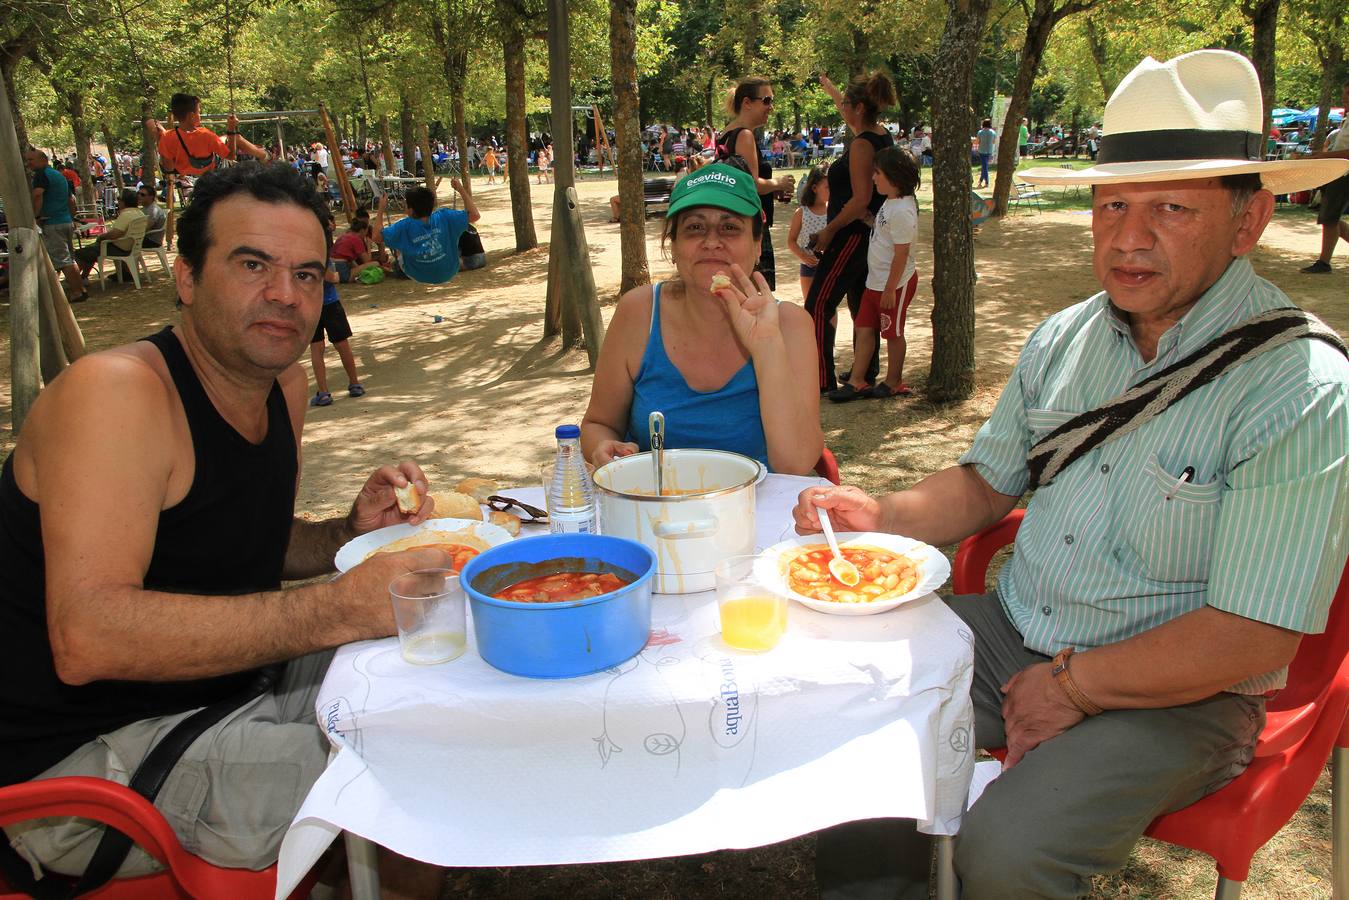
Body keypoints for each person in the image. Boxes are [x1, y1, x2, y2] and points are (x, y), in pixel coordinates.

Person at [802, 49, 1349, 899]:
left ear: (1248, 222)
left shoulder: (1300, 386)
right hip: (1018, 628)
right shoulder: (1064, 336)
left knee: (1006, 854)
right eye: (1112, 204)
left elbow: (1251, 634)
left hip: (1185, 694)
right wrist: (878, 514)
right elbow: (988, 485)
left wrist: (1073, 686)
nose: (1128, 238)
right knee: (836, 712)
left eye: (1171, 207)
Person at [0, 161, 449, 897]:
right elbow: (87, 638)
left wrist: (342, 535)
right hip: (75, 765)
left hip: (222, 693)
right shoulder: (115, 396)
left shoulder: (281, 383)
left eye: (308, 274)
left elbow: (234, 543)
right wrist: (334, 606)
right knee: (417, 769)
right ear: (185, 278)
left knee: (432, 668)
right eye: (252, 265)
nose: (285, 295)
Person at [580, 163, 823, 474]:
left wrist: (767, 348)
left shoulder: (790, 324)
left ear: (757, 244)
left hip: (758, 512)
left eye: (730, 227)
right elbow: (598, 424)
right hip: (655, 508)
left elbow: (795, 465)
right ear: (674, 246)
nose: (711, 242)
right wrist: (603, 447)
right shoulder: (638, 311)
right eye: (695, 228)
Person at [804, 70, 896, 394]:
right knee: (861, 306)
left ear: (857, 107)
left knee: (817, 305)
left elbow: (860, 200)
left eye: (845, 102)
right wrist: (829, 87)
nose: (841, 106)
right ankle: (864, 374)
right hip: (872, 236)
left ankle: (822, 379)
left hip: (852, 235)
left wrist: (829, 231)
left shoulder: (861, 146)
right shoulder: (880, 134)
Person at [828, 146, 920, 402]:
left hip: (894, 284)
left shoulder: (902, 210)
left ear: (894, 176)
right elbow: (884, 234)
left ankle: (893, 382)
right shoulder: (890, 203)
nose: (873, 177)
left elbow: (901, 254)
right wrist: (868, 219)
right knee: (864, 328)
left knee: (893, 333)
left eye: (877, 173)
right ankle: (857, 381)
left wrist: (891, 289)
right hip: (875, 281)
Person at [716, 78, 796, 291]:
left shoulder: (726, 134)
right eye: (766, 100)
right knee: (754, 292)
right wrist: (779, 182)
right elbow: (750, 184)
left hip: (733, 218)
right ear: (747, 103)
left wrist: (772, 189)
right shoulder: (744, 135)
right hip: (750, 223)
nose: (771, 107)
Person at [378, 179, 480, 285]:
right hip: (449, 271)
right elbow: (475, 215)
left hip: (417, 274)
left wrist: (381, 208)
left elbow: (376, 237)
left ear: (411, 210)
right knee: (450, 237)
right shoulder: (445, 216)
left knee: (399, 244)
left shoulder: (403, 226)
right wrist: (460, 189)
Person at [148, 93, 269, 177]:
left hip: (184, 168)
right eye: (199, 112)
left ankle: (263, 155)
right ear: (191, 116)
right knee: (234, 137)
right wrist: (231, 129)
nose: (200, 115)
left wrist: (160, 139)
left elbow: (168, 169)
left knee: (222, 139)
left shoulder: (167, 137)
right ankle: (264, 155)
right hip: (210, 165)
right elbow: (231, 155)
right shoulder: (206, 135)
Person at [24, 147, 86, 303]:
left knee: (64, 261)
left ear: (43, 159)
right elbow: (71, 200)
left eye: (31, 160)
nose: (28, 163)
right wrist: (70, 218)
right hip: (65, 221)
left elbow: (37, 195)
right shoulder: (58, 175)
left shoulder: (41, 175)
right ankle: (80, 289)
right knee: (69, 259)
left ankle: (77, 292)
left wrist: (35, 216)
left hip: (53, 223)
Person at [1299, 80, 1349, 273]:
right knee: (1330, 218)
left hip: (1344, 172)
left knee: (1329, 217)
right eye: (1345, 95)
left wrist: (1324, 156)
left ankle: (1324, 262)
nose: (1345, 99)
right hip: (1337, 171)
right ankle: (1324, 261)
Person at [309, 255, 366, 407]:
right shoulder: (321, 255)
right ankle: (354, 384)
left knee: (316, 348)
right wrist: (338, 276)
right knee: (342, 345)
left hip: (310, 305)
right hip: (330, 303)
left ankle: (323, 392)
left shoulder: (299, 257)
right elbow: (331, 278)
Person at [73, 188, 147, 281]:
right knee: (90, 251)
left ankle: (77, 279)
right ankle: (83, 277)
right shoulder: (139, 213)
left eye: (119, 199)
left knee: (82, 253)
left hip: (120, 248)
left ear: (123, 202)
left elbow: (115, 235)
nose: (118, 201)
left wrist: (101, 236)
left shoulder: (126, 214)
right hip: (131, 246)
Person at [786, 165, 829, 301]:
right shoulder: (802, 213)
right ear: (814, 188)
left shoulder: (835, 212)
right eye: (827, 187)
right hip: (808, 267)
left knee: (828, 306)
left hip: (829, 267)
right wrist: (803, 256)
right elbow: (791, 241)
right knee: (810, 304)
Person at [976, 118, 997, 188]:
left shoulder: (980, 132)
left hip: (982, 150)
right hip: (989, 150)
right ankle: (981, 180)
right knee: (985, 166)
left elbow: (978, 141)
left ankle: (986, 181)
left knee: (984, 166)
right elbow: (994, 141)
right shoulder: (993, 132)